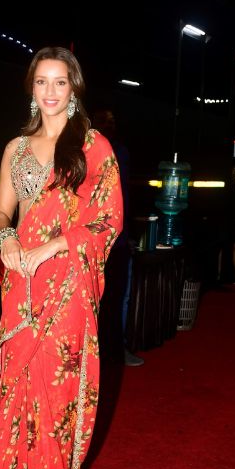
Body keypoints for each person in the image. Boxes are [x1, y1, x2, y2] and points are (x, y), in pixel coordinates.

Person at [0, 47, 124, 469]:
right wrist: (6, 239)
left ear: (74, 89)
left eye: (60, 82)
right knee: (19, 394)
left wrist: (53, 246)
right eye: (42, 81)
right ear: (31, 88)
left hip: (66, 284)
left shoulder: (91, 146)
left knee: (54, 393)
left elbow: (108, 219)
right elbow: (2, 213)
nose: (50, 91)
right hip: (20, 283)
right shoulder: (15, 148)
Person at [91, 108, 144, 367]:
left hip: (119, 239)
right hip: (92, 240)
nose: (109, 124)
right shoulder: (86, 149)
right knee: (95, 299)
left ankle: (117, 349)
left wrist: (128, 234)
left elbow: (123, 197)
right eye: (105, 120)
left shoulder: (121, 151)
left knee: (120, 296)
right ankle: (93, 354)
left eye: (112, 120)